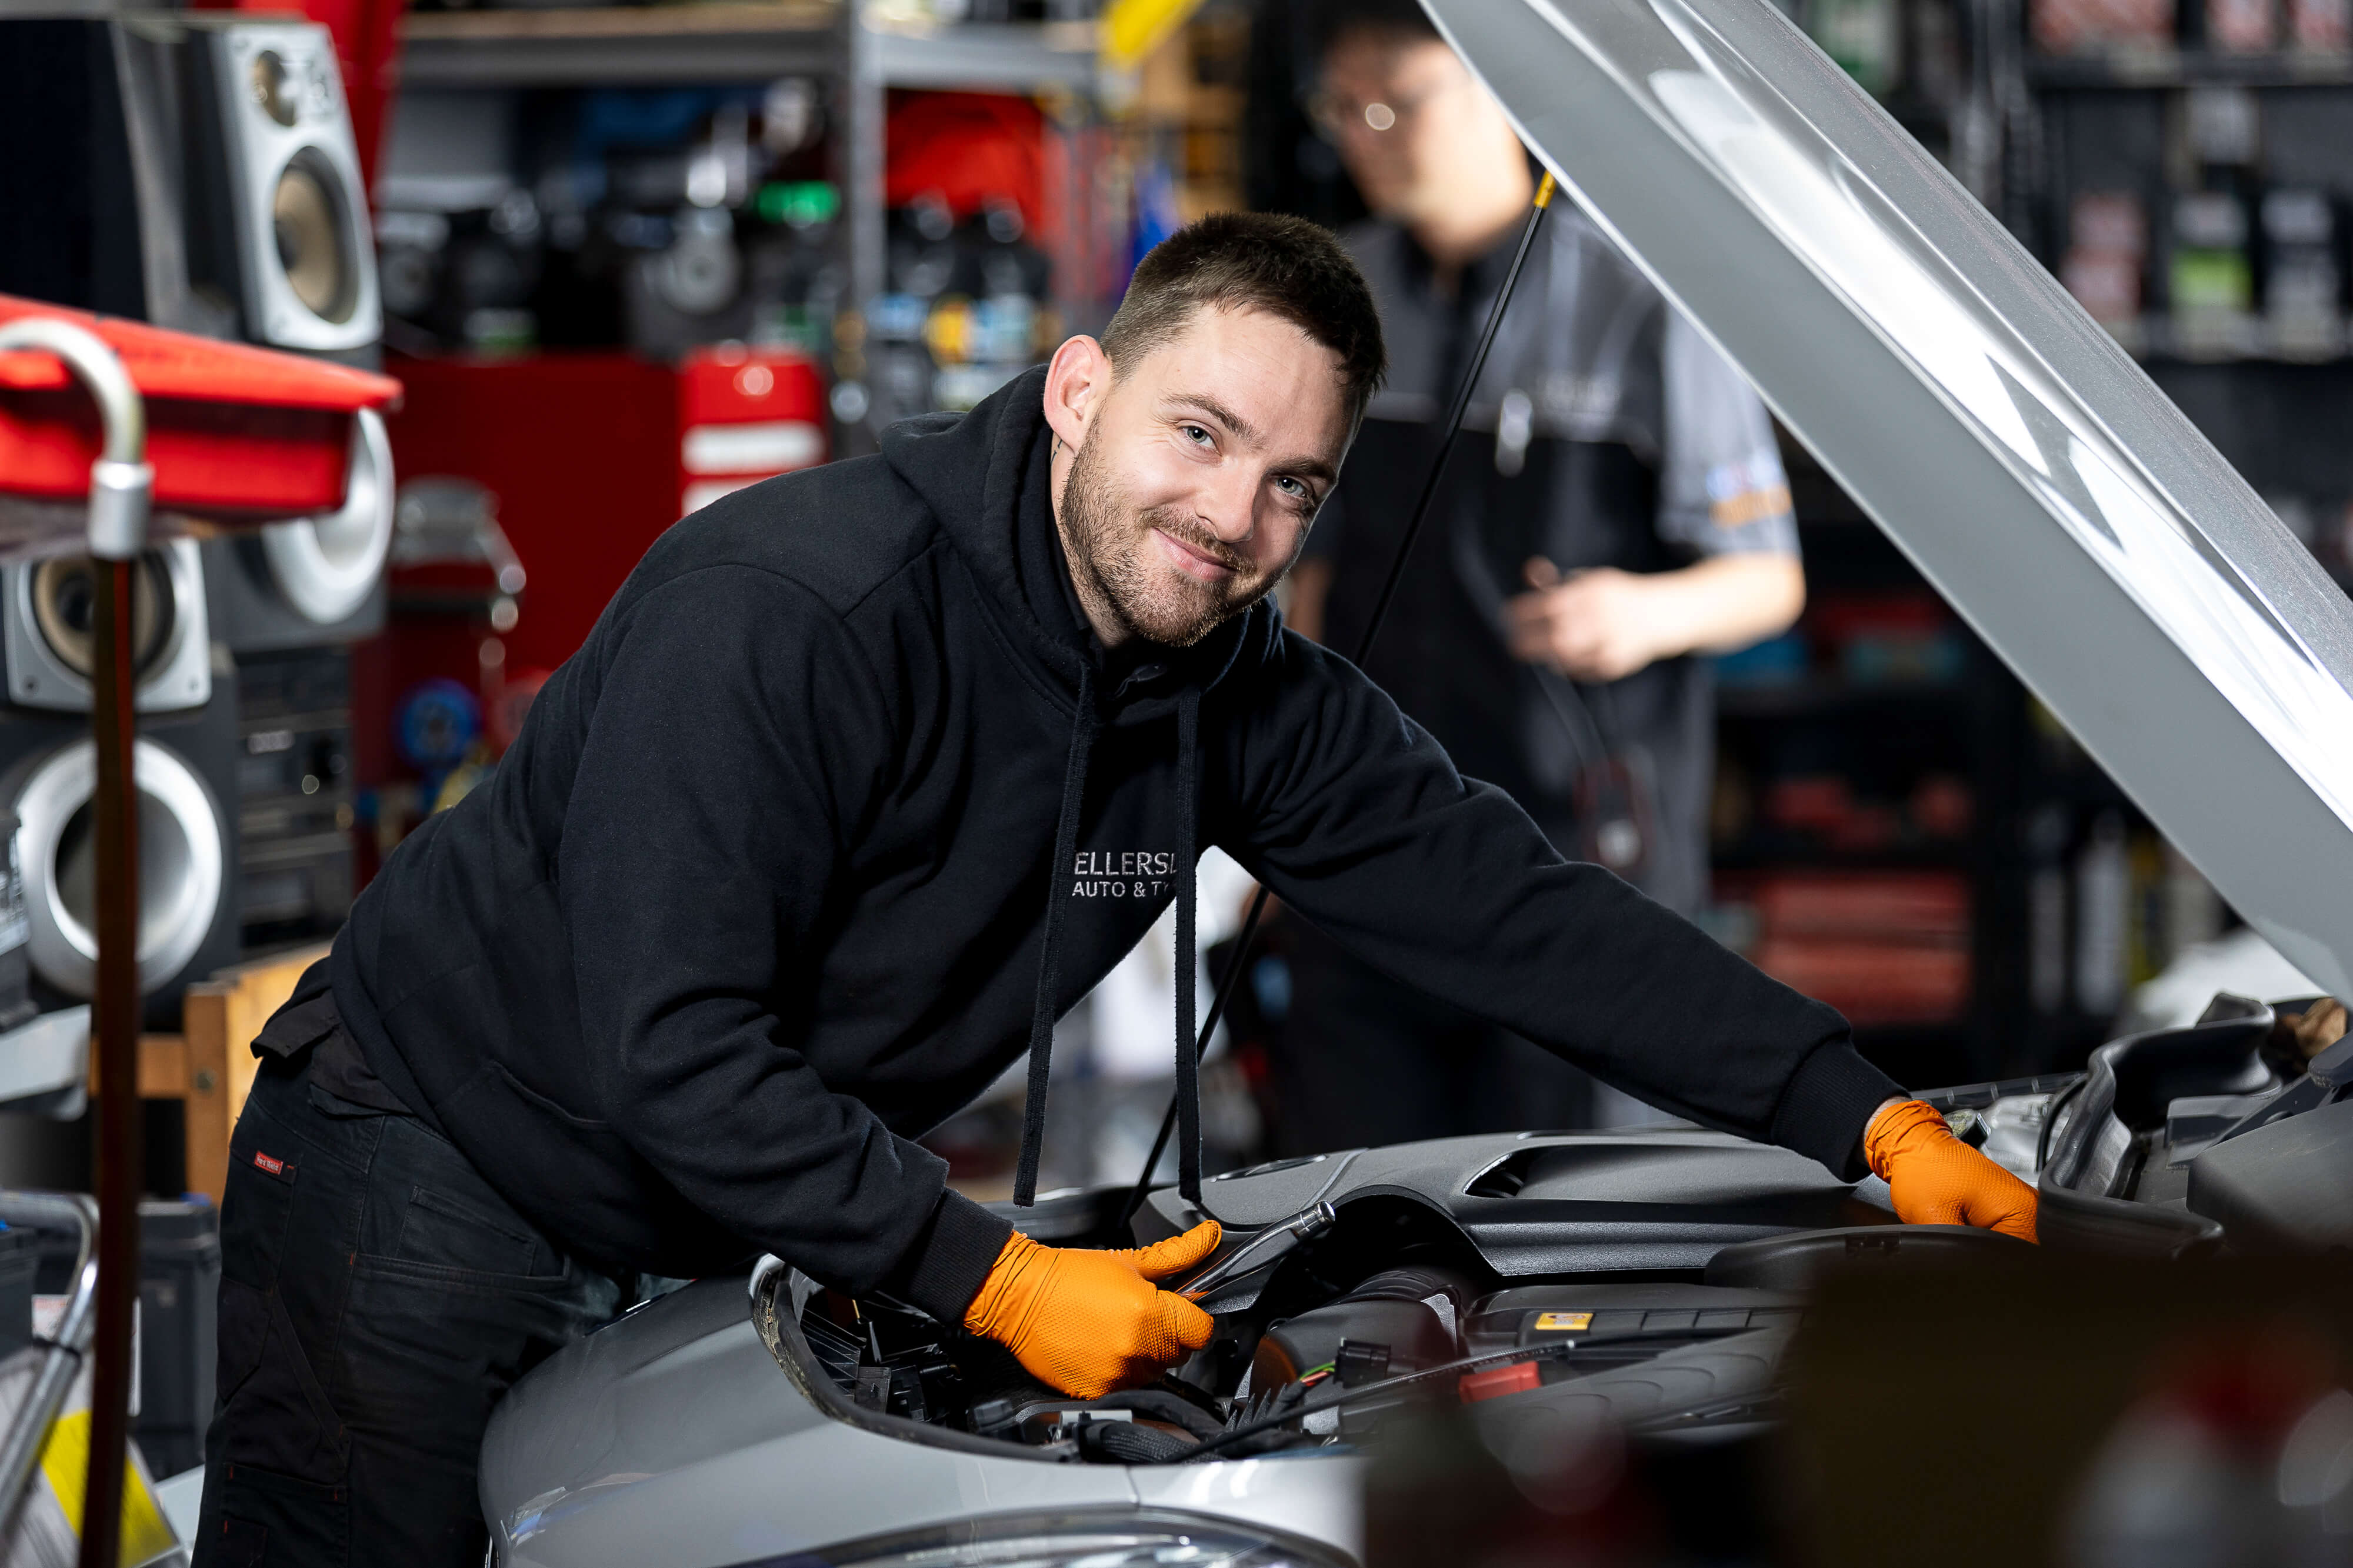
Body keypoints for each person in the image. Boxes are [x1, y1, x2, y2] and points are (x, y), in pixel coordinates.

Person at [194, 211, 2032, 1567]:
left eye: (1295, 484)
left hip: (701, 1224)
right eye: (1199, 434)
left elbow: (1519, 911)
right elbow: (671, 1046)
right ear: (1080, 390)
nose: (1233, 519)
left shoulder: (1232, 688)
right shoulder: (789, 613)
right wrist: (988, 1277)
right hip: (429, 1172)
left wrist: (1862, 1115)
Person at [1270, 0, 1810, 1152]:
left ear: (1495, 90)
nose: (1363, 136)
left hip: (1572, 861)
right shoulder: (1335, 298)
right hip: (1367, 848)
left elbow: (1767, 579)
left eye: (1394, 104)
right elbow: (1315, 578)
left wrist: (1641, 611)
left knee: (1566, 1203)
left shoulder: (1644, 298)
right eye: (1342, 108)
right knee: (1355, 1198)